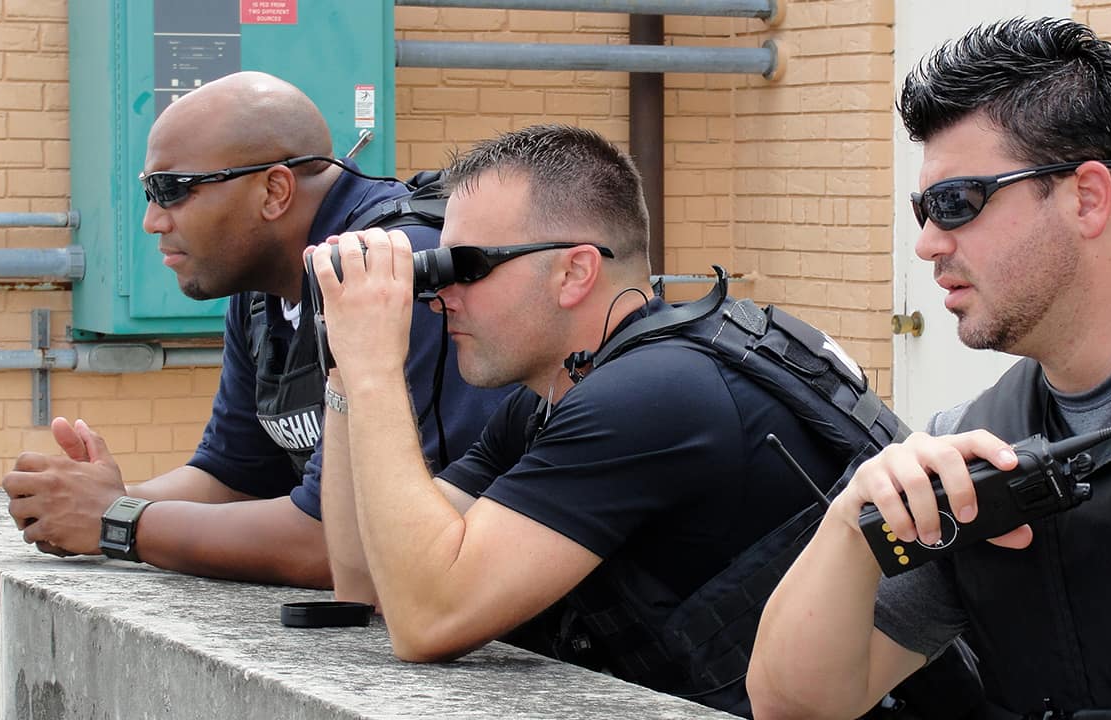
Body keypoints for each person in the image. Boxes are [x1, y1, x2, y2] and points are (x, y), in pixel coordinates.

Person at [747, 17, 1111, 720]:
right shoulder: (976, 441)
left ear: (1086, 197)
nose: (926, 244)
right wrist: (851, 525)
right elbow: (794, 705)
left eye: (956, 203)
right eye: (923, 209)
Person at [307, 124, 860, 715]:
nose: (443, 297)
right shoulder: (556, 393)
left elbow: (428, 618)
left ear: (575, 272)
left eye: (464, 267)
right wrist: (345, 368)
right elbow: (366, 581)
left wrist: (375, 370)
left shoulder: (656, 396)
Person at [1, 71, 509, 587]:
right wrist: (98, 499)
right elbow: (234, 476)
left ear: (273, 191)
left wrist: (117, 521)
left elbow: (336, 546)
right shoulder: (262, 284)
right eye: (149, 193)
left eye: (171, 190)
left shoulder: (397, 271)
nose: (152, 220)